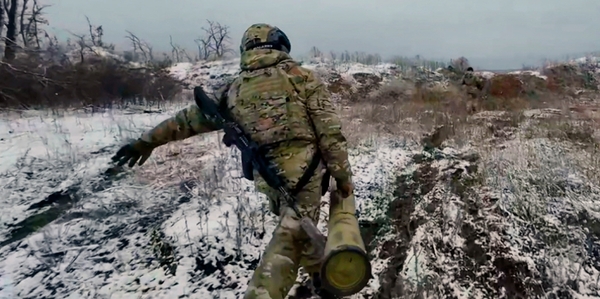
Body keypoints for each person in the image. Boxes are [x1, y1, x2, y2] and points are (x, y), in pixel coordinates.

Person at [111, 23, 354, 299]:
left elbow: (186, 121)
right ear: (279, 45)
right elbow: (329, 132)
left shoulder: (233, 89)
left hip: (269, 178)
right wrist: (343, 176)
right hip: (305, 174)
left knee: (297, 228)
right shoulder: (302, 77)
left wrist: (146, 141)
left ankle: (323, 281)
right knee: (290, 238)